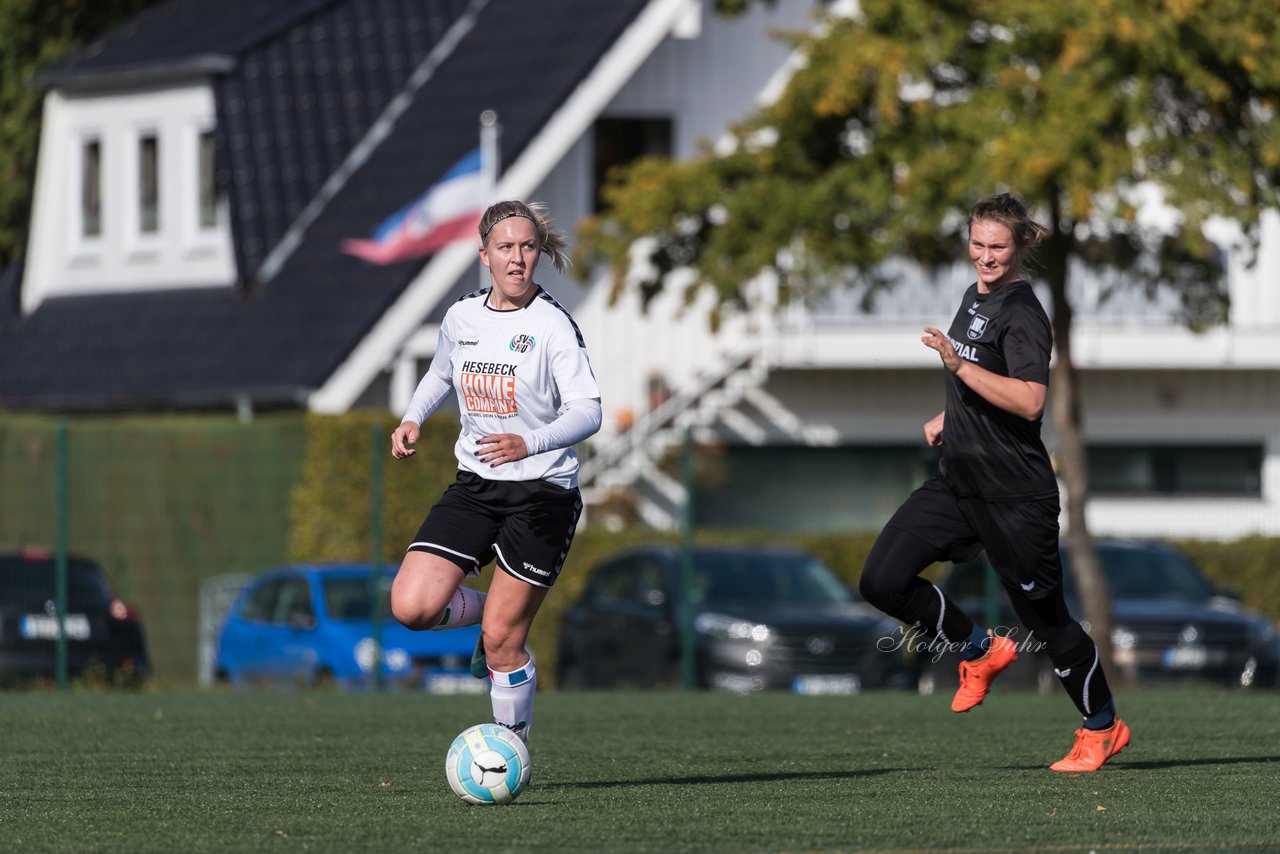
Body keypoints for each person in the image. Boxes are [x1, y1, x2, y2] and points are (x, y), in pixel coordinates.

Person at [859, 192, 1130, 772]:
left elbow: (1030, 402)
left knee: (1047, 619)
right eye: (978, 244)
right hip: (959, 482)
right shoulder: (972, 296)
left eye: (998, 247)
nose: (985, 256)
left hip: (1015, 495)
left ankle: (1102, 726)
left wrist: (958, 367)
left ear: (1020, 246)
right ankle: (980, 649)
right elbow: (982, 384)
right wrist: (949, 414)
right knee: (882, 580)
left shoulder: (1023, 312)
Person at [389, 200, 602, 744]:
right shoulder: (462, 316)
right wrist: (413, 418)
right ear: (484, 255)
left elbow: (588, 410)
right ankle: (495, 615)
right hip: (476, 487)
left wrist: (529, 441)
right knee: (411, 607)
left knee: (505, 641)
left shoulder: (553, 325)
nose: (517, 259)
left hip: (543, 495)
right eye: (505, 248)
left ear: (538, 254)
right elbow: (440, 372)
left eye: (527, 247)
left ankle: (511, 750)